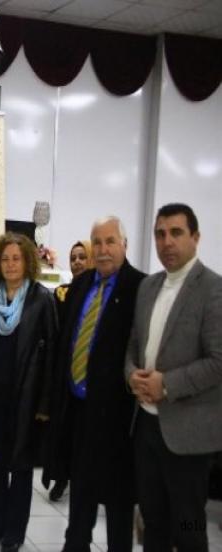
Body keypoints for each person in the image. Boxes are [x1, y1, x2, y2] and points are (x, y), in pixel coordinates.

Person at [126, 203, 222, 552]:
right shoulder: (148, 287)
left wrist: (165, 384)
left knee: (189, 528)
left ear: (196, 237)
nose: (166, 242)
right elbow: (133, 346)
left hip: (188, 435)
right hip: (146, 427)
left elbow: (218, 361)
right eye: (160, 234)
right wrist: (131, 375)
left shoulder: (213, 289)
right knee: (153, 522)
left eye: (176, 233)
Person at [45, 218, 144, 552]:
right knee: (81, 493)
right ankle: (76, 544)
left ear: (124, 245)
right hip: (78, 411)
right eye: (97, 242)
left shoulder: (139, 288)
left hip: (117, 419)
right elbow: (67, 341)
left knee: (118, 504)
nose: (103, 250)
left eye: (110, 241)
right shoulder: (82, 284)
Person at [0, 232, 57, 552]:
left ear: (27, 261)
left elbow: (52, 356)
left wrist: (45, 404)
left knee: (20, 469)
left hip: (27, 401)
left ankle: (14, 533)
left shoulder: (41, 300)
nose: (11, 264)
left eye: (16, 258)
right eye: (5, 259)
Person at [47, 239, 94, 502]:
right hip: (65, 374)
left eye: (82, 257)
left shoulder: (96, 295)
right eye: (73, 257)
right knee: (63, 431)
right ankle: (61, 477)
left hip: (89, 376)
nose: (77, 262)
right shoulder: (62, 293)